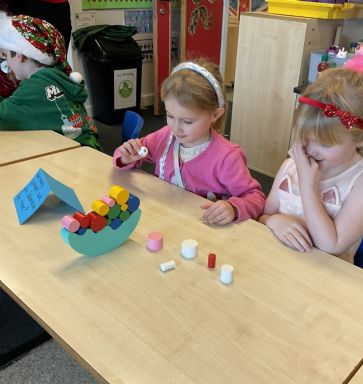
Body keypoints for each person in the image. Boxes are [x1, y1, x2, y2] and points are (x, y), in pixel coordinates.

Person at [258, 55, 363, 263]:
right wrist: (274, 221)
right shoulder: (291, 165)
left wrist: (308, 185)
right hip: (277, 264)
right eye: (305, 138)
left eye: (325, 144)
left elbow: (331, 246)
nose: (310, 150)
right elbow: (263, 217)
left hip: (324, 277)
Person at [113, 59, 265, 225]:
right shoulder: (165, 136)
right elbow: (123, 156)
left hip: (202, 230)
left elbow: (255, 197)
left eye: (187, 121)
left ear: (215, 115)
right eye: (170, 116)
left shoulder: (228, 157)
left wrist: (233, 208)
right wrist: (125, 157)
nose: (176, 128)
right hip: (165, 220)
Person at [0, 12, 101, 150]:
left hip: (75, 157)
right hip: (91, 151)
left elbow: (4, 117)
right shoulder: (55, 76)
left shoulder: (35, 87)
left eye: (6, 56)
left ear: (19, 54)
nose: (6, 64)